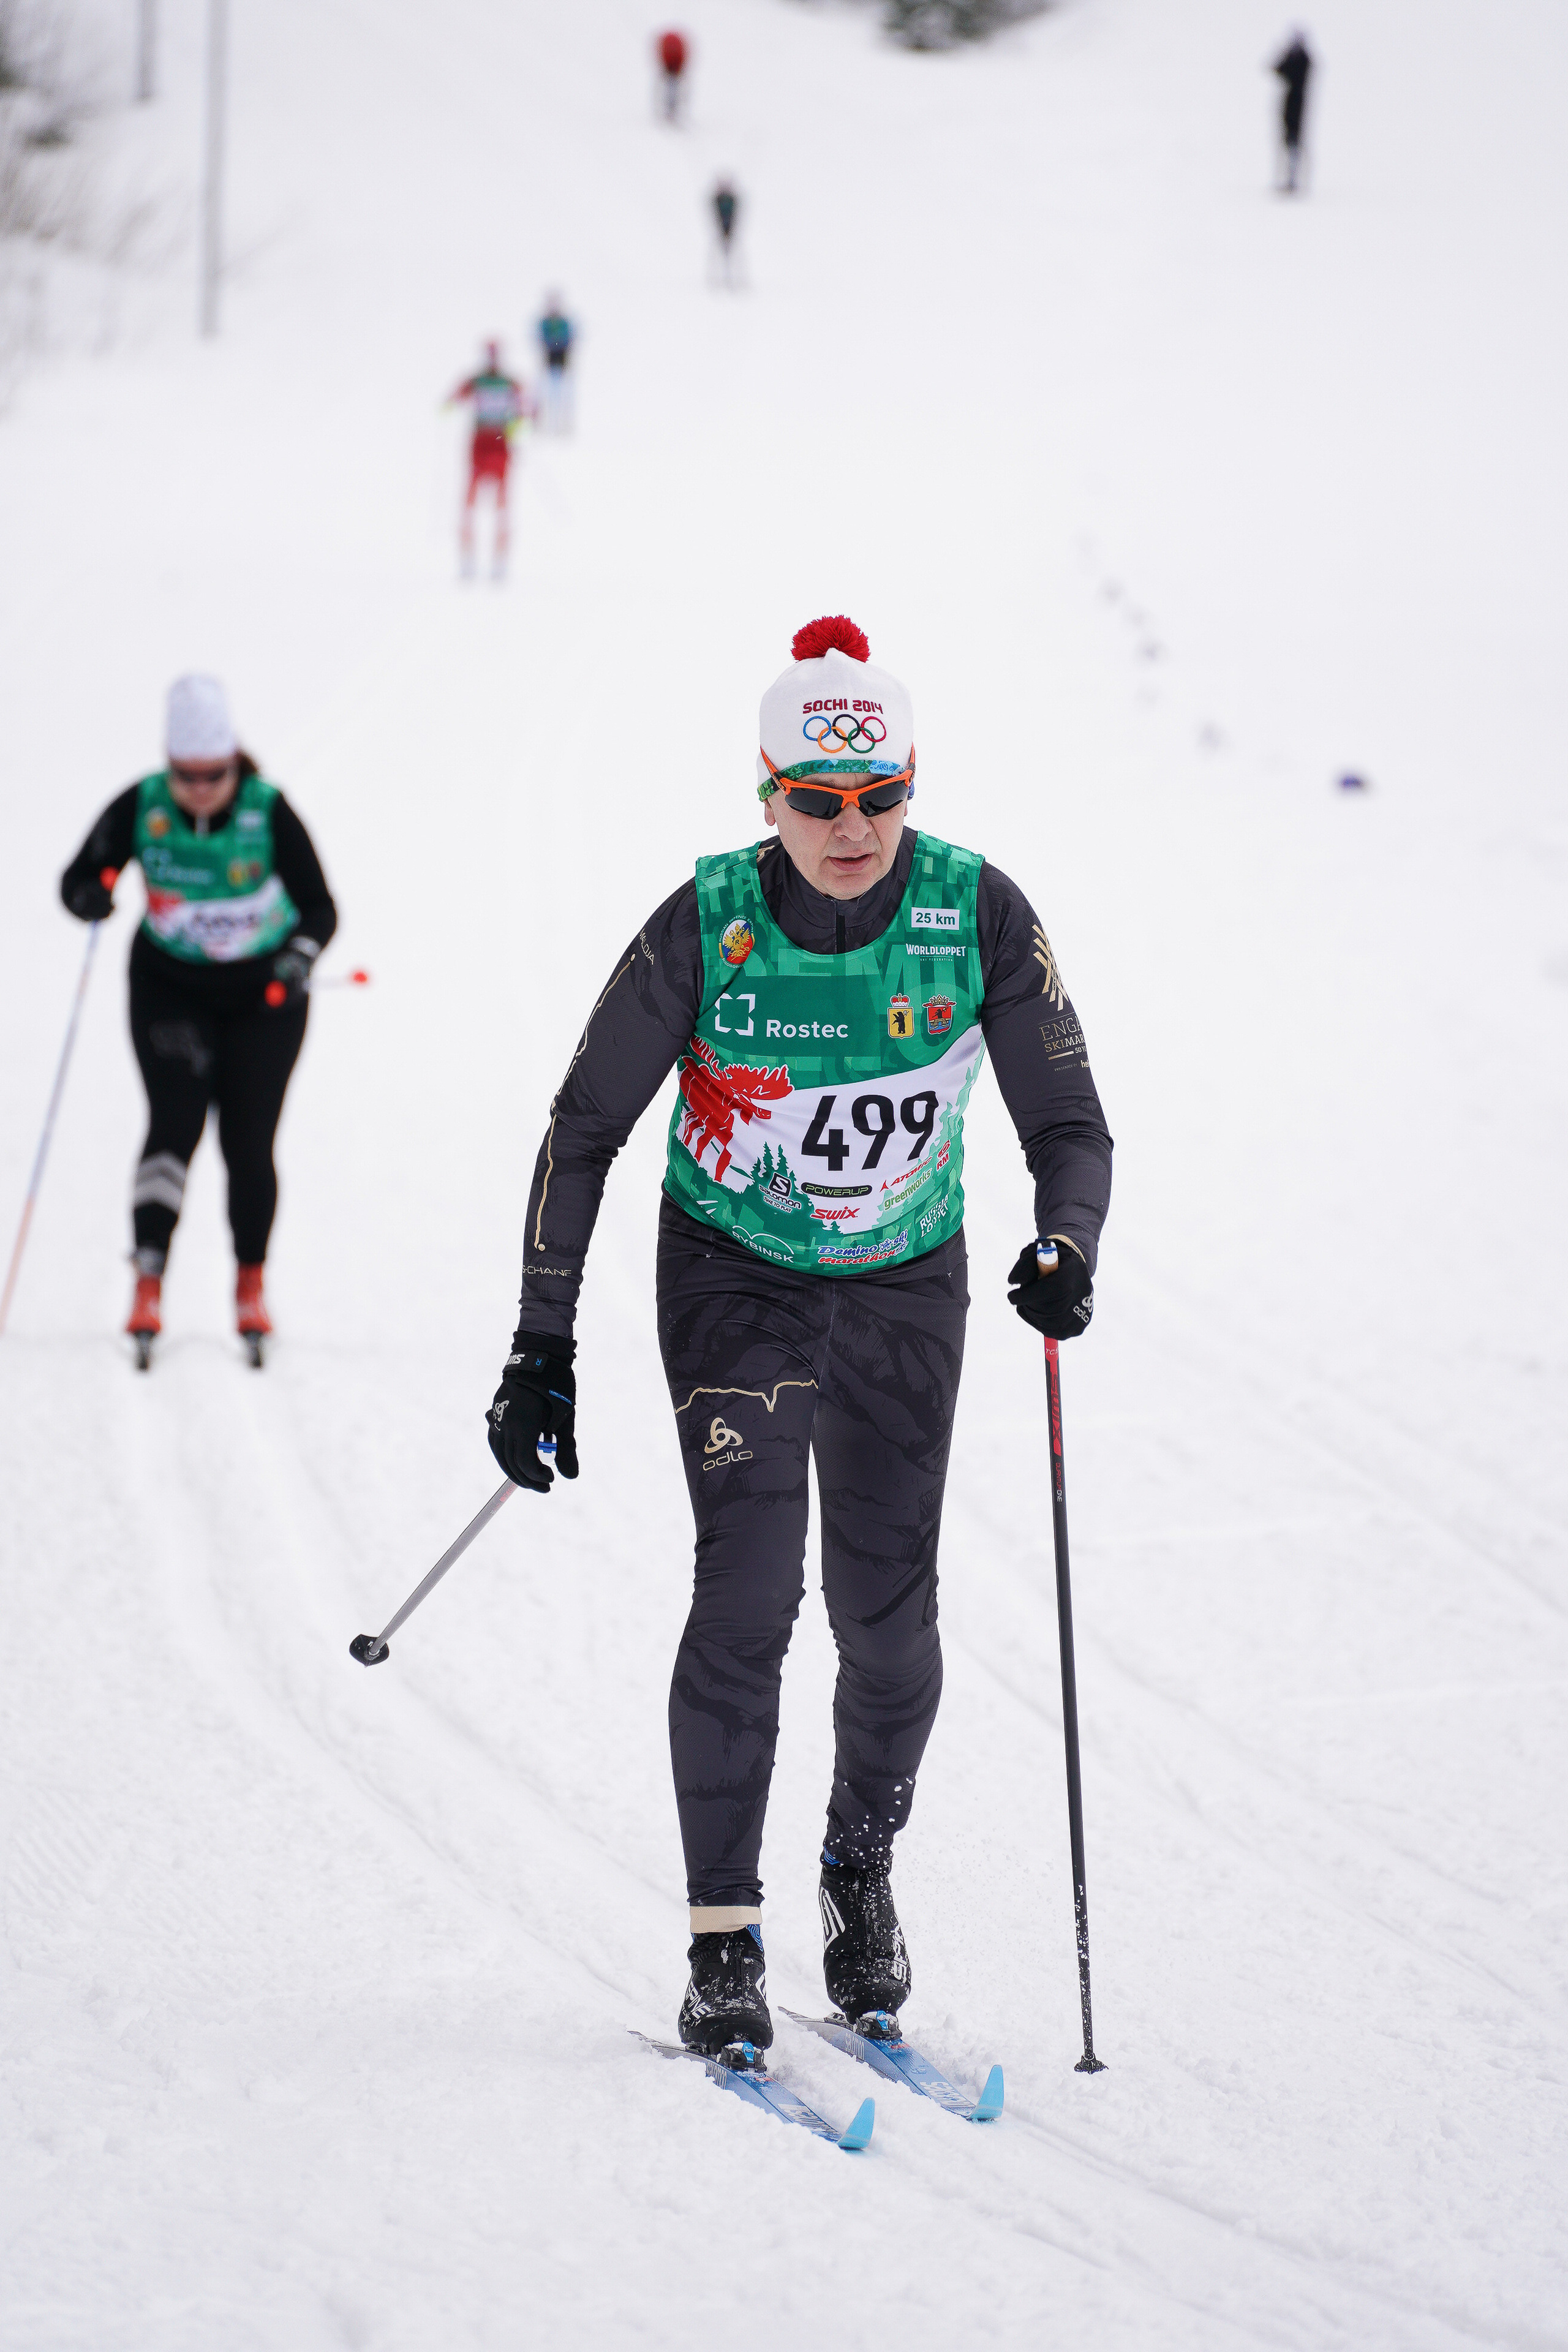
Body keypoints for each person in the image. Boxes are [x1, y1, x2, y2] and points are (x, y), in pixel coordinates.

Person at [484, 616, 1112, 2057]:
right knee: (751, 1585)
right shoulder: (702, 923)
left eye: (878, 795)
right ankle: (721, 1934)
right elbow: (583, 1132)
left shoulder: (980, 916)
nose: (850, 827)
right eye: (816, 801)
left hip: (902, 1279)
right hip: (734, 1271)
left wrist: (1063, 1245)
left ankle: (856, 1868)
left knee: (887, 1619)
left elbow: (1067, 1124)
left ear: (910, 781)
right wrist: (540, 1344)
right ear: (763, 789)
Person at [58, 674, 337, 1366]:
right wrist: (92, 892)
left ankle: (250, 1282)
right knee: (175, 1122)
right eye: (186, 774)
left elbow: (320, 906)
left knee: (248, 1141)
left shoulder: (267, 810)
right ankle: (149, 1276)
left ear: (234, 762)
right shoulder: (144, 805)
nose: (200, 788)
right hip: (169, 988)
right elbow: (77, 877)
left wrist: (299, 956)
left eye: (214, 774)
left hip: (263, 998)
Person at [445, 341, 532, 580]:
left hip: (498, 444)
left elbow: (526, 408)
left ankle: (499, 563)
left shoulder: (506, 382)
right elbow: (455, 397)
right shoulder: (480, 381)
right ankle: (468, 561)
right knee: (472, 504)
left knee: (499, 506)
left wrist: (516, 425)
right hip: (482, 445)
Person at [1272, 31, 1313, 194]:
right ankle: (1289, 178)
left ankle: (1295, 179)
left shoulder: (1304, 60)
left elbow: (1291, 75)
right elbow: (1278, 70)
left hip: (1298, 105)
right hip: (1290, 104)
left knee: (1295, 143)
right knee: (1287, 143)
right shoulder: (1295, 58)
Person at [536, 294, 575, 435]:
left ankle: (564, 424)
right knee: (547, 390)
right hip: (550, 358)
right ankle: (547, 423)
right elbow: (541, 338)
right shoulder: (545, 322)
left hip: (561, 358)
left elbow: (570, 338)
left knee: (564, 391)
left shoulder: (563, 322)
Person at [710, 178, 740, 289]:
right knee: (719, 253)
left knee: (733, 253)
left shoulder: (731, 199)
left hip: (730, 230)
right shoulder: (719, 199)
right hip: (722, 230)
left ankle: (734, 279)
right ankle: (717, 280)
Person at [655, 28, 688, 123]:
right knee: (671, 87)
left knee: (672, 87)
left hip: (673, 67)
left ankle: (672, 108)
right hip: (671, 67)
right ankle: (671, 108)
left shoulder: (670, 44)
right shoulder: (671, 44)